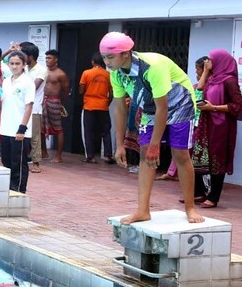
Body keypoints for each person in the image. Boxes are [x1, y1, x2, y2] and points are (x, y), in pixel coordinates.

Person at [100, 31, 203, 224]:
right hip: (150, 108)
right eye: (104, 57)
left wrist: (156, 144)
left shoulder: (151, 67)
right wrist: (120, 144)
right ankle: (142, 210)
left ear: (125, 53)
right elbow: (120, 108)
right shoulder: (115, 73)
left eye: (110, 57)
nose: (107, 62)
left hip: (180, 103)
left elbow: (163, 108)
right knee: (145, 155)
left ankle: (190, 207)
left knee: (180, 154)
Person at [192, 50, 242, 209]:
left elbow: (238, 105)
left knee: (216, 159)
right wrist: (206, 71)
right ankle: (200, 192)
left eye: (211, 60)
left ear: (221, 61)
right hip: (206, 123)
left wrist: (213, 107)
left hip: (221, 127)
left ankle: (214, 197)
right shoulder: (213, 78)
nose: (208, 62)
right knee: (199, 156)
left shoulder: (230, 81)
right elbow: (199, 88)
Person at [0, 50, 34, 193]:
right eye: (11, 63)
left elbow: (29, 106)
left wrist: (22, 129)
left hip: (19, 131)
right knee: (6, 162)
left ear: (24, 64)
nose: (14, 66)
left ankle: (18, 191)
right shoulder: (6, 81)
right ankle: (8, 190)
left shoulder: (27, 82)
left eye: (17, 63)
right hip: (5, 128)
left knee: (18, 163)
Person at [79, 53, 113, 164]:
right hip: (103, 106)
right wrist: (106, 103)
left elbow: (81, 90)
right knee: (106, 131)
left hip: (89, 106)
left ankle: (90, 157)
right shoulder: (108, 75)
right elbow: (111, 93)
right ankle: (108, 155)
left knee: (89, 132)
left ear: (93, 62)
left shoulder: (86, 73)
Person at [18, 42, 47, 173]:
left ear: (30, 56)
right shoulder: (22, 69)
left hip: (35, 108)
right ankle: (20, 159)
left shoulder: (41, 70)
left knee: (34, 137)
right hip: (20, 107)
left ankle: (36, 163)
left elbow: (33, 87)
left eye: (23, 55)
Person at [41, 49, 69, 162]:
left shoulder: (61, 74)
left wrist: (61, 103)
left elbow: (66, 91)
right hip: (43, 101)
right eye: (46, 58)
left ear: (56, 59)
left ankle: (58, 156)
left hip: (55, 101)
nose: (47, 60)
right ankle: (44, 151)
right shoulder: (42, 72)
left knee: (58, 129)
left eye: (50, 58)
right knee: (41, 128)